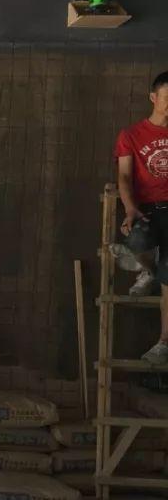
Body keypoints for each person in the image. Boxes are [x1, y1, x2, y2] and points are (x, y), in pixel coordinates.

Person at [116, 69, 168, 363]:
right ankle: (148, 268)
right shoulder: (131, 135)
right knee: (136, 239)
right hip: (146, 208)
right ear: (153, 98)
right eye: (167, 97)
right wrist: (129, 208)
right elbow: (124, 176)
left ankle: (163, 343)